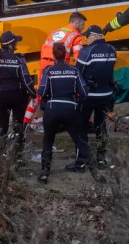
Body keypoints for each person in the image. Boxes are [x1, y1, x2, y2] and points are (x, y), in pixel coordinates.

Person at [37, 42, 90, 184]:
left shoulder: (49, 71)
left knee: (48, 140)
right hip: (71, 109)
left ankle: (44, 173)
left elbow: (41, 92)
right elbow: (84, 92)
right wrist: (77, 102)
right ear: (67, 54)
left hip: (52, 109)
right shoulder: (74, 70)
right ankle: (95, 171)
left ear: (53, 55)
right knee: (80, 141)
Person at [0, 30, 35, 156]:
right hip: (18, 96)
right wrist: (33, 94)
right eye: (16, 41)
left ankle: (0, 155)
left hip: (1, 96)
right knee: (18, 127)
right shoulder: (18, 59)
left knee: (2, 127)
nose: (17, 43)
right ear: (11, 45)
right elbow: (26, 79)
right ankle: (18, 156)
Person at [77, 25, 117, 166]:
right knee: (101, 126)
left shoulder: (86, 51)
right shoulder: (112, 50)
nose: (86, 39)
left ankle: (83, 160)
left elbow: (78, 73)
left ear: (94, 36)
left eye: (87, 36)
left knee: (81, 126)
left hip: (89, 95)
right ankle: (101, 158)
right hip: (106, 94)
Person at [39, 12, 87, 77]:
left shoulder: (55, 31)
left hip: (44, 62)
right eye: (82, 24)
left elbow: (45, 47)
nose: (83, 27)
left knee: (43, 85)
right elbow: (78, 57)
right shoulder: (76, 35)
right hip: (59, 65)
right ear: (76, 23)